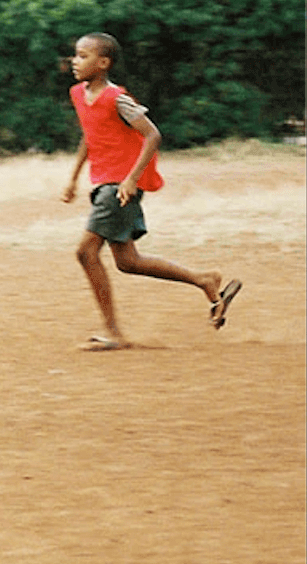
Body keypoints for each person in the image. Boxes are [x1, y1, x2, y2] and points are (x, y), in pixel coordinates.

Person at [62, 32, 239, 350]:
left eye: (83, 55)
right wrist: (74, 179)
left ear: (103, 63)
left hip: (119, 188)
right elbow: (90, 136)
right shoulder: (79, 94)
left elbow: (152, 134)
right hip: (103, 184)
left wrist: (131, 179)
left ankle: (113, 332)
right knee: (128, 261)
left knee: (85, 253)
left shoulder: (116, 98)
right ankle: (205, 279)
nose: (75, 61)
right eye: (75, 55)